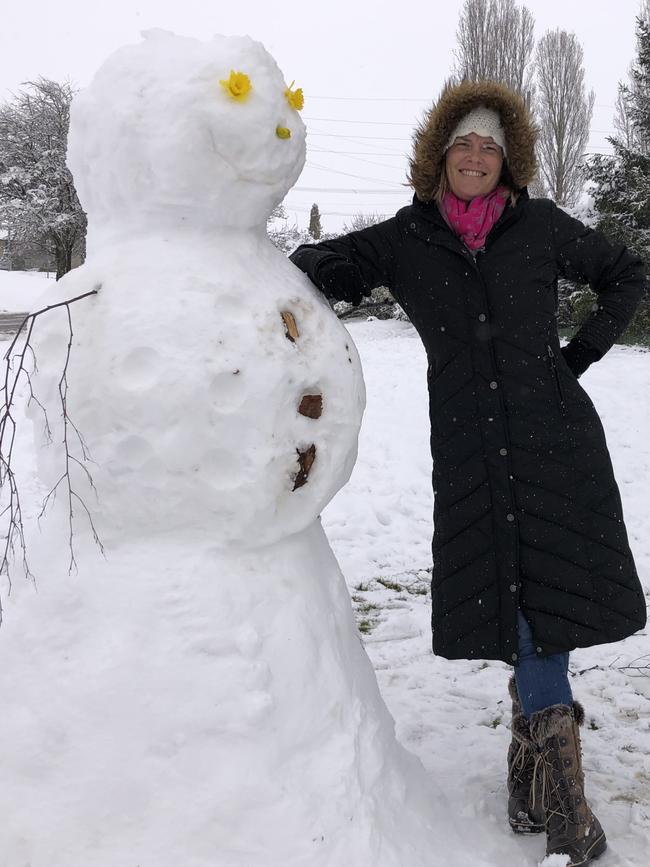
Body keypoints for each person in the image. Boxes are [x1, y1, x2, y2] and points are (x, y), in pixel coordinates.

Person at [289, 79, 647, 866]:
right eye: (462, 145)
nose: (476, 156)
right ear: (439, 156)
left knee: (542, 602)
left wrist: (575, 360)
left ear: (508, 157)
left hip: (555, 441)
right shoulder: (408, 238)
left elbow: (627, 273)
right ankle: (530, 781)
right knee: (514, 595)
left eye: (489, 145)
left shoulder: (541, 226)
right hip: (468, 447)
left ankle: (564, 811)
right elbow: (322, 266)